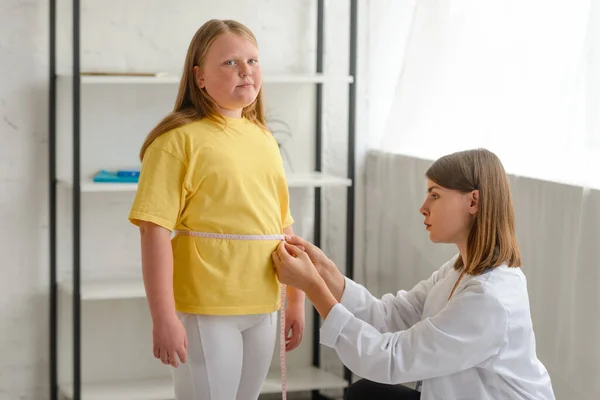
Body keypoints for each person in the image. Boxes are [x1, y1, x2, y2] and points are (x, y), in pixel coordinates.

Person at [272, 148, 555, 400]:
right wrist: (326, 273)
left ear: (473, 202)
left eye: (435, 195)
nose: (423, 207)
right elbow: (390, 316)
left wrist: (312, 287)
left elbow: (391, 359)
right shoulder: (458, 269)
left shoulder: (489, 298)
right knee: (366, 393)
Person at [128, 19, 305, 400]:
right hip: (207, 304)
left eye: (253, 61)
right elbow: (153, 230)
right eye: (229, 62)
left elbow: (282, 225)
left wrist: (296, 299)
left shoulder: (264, 139)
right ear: (199, 77)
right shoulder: (176, 142)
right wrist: (163, 317)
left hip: (262, 301)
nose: (246, 71)